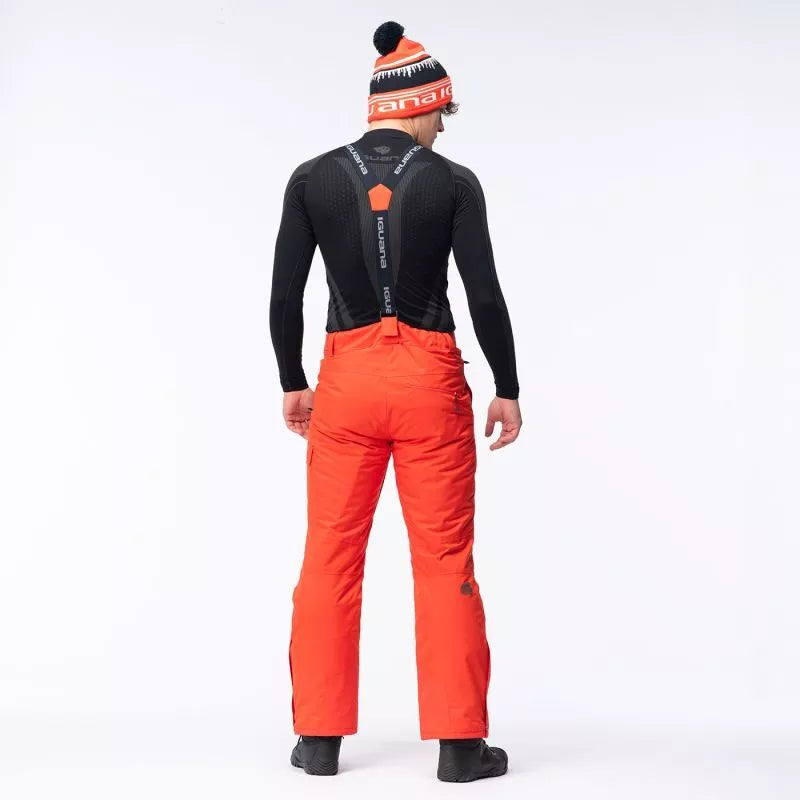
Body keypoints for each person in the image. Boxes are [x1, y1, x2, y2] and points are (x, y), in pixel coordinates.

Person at [269, 20, 522, 782]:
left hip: (345, 382)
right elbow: (485, 295)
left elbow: (284, 296)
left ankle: (318, 741)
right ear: (418, 105)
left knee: (329, 556)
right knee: (443, 560)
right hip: (428, 381)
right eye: (443, 110)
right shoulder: (454, 183)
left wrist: (292, 380)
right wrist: (508, 385)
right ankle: (460, 747)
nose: (444, 125)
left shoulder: (311, 179)